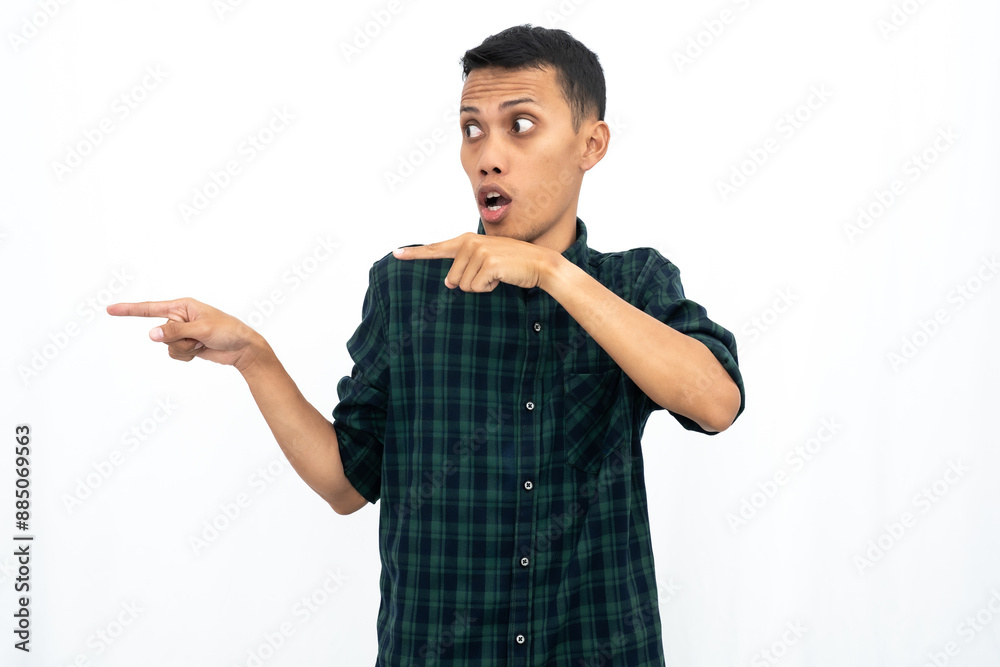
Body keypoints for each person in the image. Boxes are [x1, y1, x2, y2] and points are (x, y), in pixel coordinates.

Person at [109, 24, 745, 666]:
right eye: (472, 129)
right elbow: (345, 484)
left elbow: (715, 403)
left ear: (591, 143)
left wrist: (552, 273)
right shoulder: (407, 287)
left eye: (520, 125)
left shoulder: (633, 283)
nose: (488, 156)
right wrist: (254, 357)